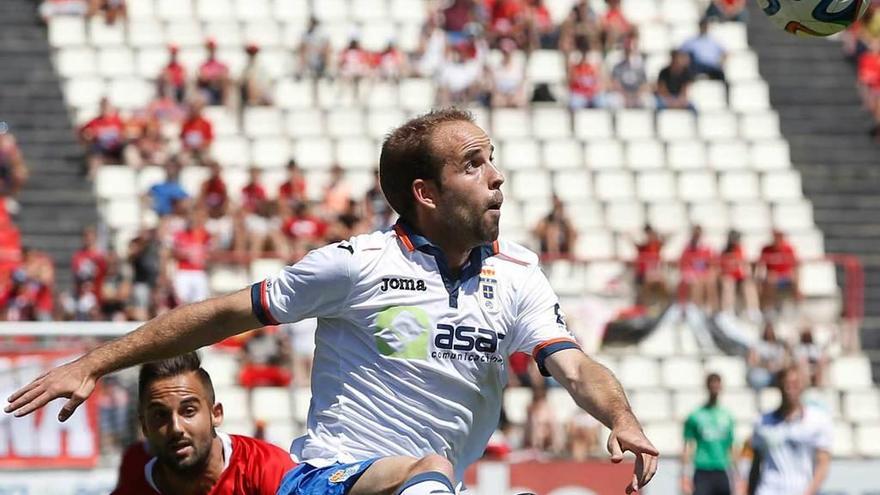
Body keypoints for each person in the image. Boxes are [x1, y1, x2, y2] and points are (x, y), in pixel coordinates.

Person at [7, 109, 658, 495]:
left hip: (421, 486)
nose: (496, 175)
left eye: (492, 158)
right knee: (430, 472)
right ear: (425, 192)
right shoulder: (357, 264)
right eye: (472, 163)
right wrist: (96, 361)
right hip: (330, 481)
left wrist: (621, 416)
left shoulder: (518, 273)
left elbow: (573, 365)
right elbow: (222, 312)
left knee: (434, 477)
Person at [110, 352, 295, 494]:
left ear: (216, 414)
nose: (176, 428)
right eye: (160, 415)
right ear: (145, 427)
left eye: (188, 411)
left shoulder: (270, 469)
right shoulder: (133, 487)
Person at [748, 366, 832, 495]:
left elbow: (823, 464)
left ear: (802, 387)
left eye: (795, 384)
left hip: (799, 489)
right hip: (768, 490)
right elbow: (755, 463)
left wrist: (809, 492)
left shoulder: (817, 420)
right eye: (786, 384)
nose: (789, 389)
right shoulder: (762, 421)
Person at [681, 373, 737, 495]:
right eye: (712, 385)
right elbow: (688, 445)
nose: (715, 389)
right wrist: (685, 475)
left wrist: (736, 476)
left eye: (717, 386)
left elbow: (731, 446)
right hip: (703, 469)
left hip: (722, 469)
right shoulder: (696, 415)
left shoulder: (727, 416)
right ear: (707, 387)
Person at [757, 230, 800, 315]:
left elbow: (795, 266)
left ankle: (797, 307)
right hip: (772, 277)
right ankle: (769, 307)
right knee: (771, 278)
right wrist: (759, 279)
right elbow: (760, 266)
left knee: (795, 278)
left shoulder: (788, 249)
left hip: (785, 277)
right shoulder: (766, 249)